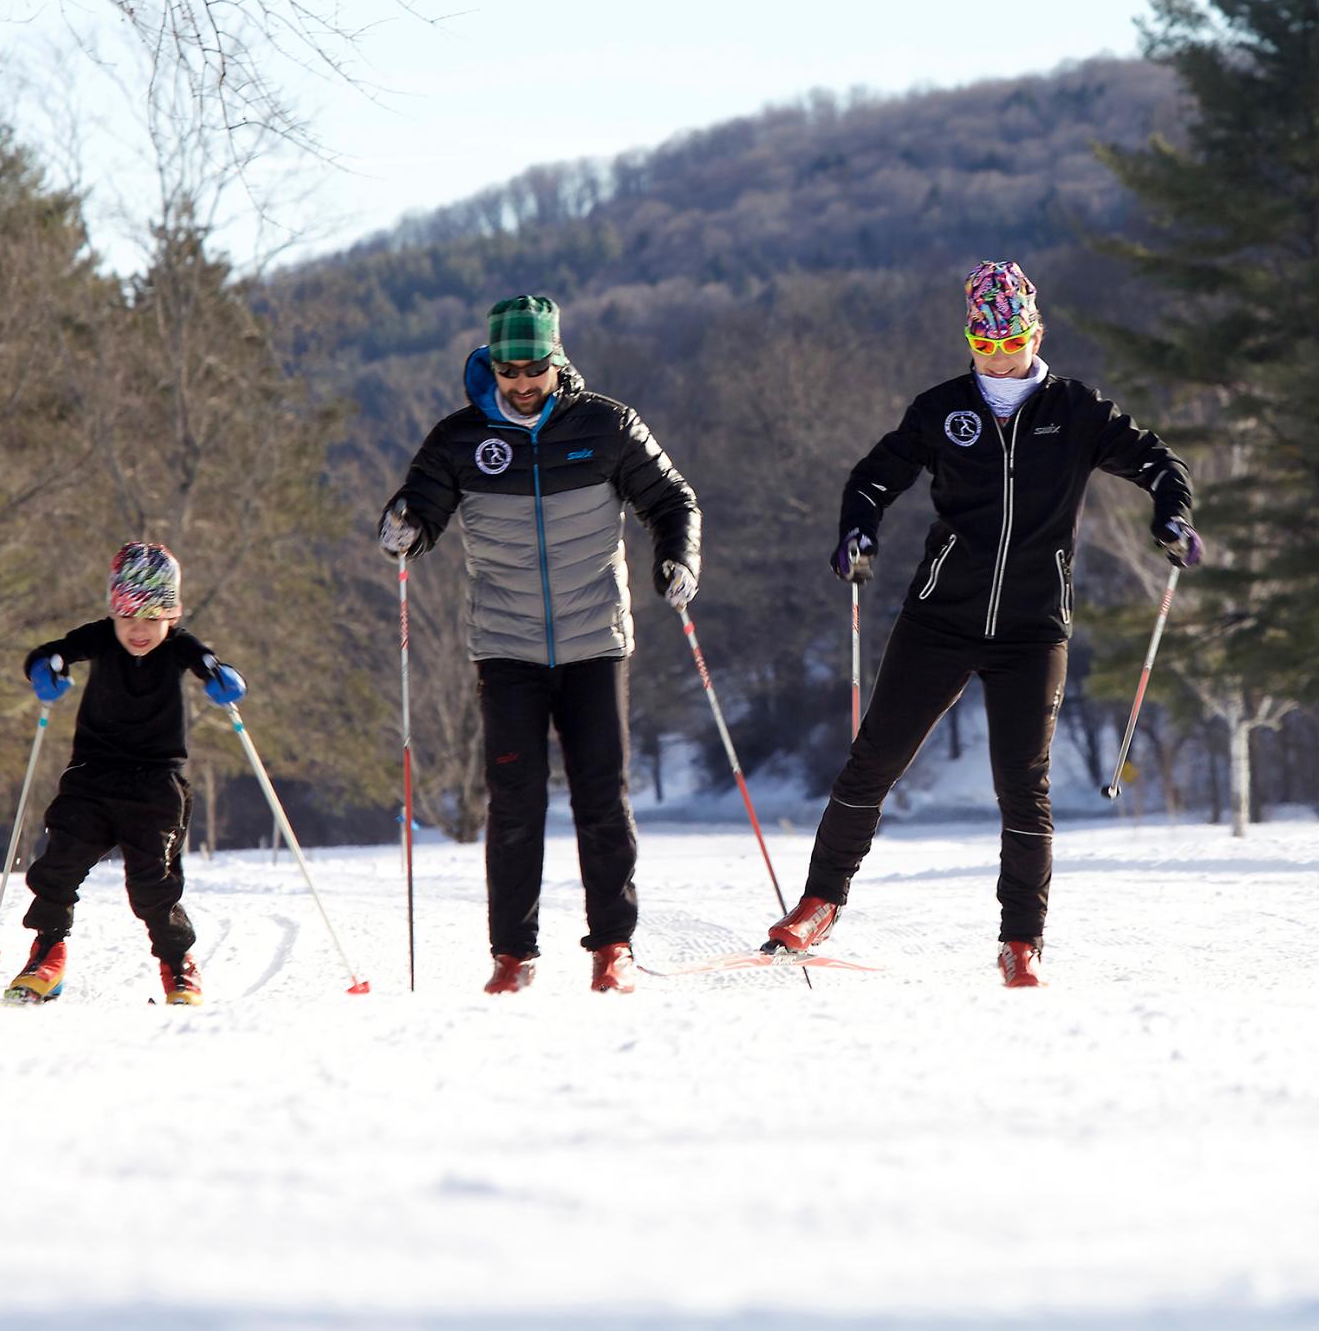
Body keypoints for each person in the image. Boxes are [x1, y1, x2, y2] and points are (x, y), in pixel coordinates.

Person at [768, 260, 1198, 988]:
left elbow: (1159, 463)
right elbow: (874, 477)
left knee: (1023, 786)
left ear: (1036, 334)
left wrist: (1171, 516)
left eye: (1012, 342)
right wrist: (858, 531)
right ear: (970, 340)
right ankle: (819, 903)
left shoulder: (1077, 410)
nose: (1000, 357)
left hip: (1033, 628)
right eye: (986, 344)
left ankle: (1021, 940)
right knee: (873, 760)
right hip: (940, 617)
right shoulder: (942, 408)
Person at [378, 295, 700, 996]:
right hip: (506, 646)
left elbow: (671, 499)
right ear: (492, 364)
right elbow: (417, 511)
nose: (522, 382)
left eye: (534, 369)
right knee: (515, 803)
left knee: (602, 798)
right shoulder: (460, 439)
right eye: (509, 370)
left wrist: (678, 557)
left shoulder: (607, 425)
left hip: (595, 641)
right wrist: (402, 527)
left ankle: (612, 947)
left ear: (556, 360)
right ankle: (512, 956)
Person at [6, 541, 246, 1006]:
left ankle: (177, 963)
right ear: (113, 611)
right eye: (129, 617)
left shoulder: (178, 648)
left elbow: (209, 663)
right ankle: (48, 954)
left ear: (171, 616)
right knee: (59, 864)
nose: (139, 630)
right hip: (92, 775)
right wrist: (45, 668)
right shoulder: (100, 637)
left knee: (152, 883)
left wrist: (222, 677)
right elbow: (51, 652)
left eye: (153, 619)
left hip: (155, 783)